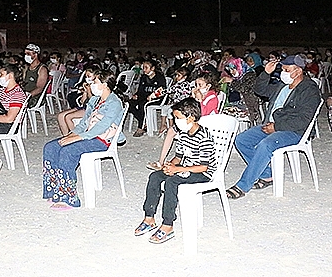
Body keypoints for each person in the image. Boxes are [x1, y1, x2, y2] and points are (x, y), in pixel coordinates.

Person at [225, 54, 321, 199]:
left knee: (266, 145)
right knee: (241, 140)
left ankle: (243, 185)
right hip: (271, 126)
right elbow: (260, 90)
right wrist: (266, 73)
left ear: (298, 71)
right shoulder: (283, 86)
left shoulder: (309, 90)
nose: (283, 73)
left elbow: (304, 120)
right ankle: (268, 175)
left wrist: (276, 127)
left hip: (294, 130)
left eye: (287, 70)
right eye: (282, 69)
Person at [134, 97, 216, 243]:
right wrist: (170, 166)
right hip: (185, 168)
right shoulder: (183, 133)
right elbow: (179, 156)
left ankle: (168, 225)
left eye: (177, 117)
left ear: (190, 118)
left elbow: (204, 166)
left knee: (172, 182)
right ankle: (149, 218)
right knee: (155, 176)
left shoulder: (204, 137)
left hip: (202, 173)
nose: (175, 120)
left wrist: (177, 170)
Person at [43, 70, 125, 211]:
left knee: (68, 151)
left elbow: (101, 127)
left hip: (102, 140)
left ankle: (69, 198)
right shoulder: (95, 100)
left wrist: (77, 138)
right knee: (51, 147)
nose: (91, 84)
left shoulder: (114, 103)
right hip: (89, 136)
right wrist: (70, 135)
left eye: (95, 82)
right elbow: (83, 123)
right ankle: (54, 190)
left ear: (104, 85)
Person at [129, 60, 167, 137]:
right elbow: (140, 89)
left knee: (142, 105)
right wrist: (136, 95)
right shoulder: (143, 77)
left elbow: (162, 90)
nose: (144, 69)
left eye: (146, 67)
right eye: (143, 67)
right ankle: (143, 120)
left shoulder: (160, 77)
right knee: (130, 104)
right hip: (144, 97)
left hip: (157, 98)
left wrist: (153, 96)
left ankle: (141, 127)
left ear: (152, 68)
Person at [57, 68, 97, 136]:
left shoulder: (97, 86)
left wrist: (88, 91)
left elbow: (92, 102)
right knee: (60, 116)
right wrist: (85, 92)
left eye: (89, 76)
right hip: (83, 107)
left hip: (91, 109)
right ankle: (65, 135)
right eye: (86, 76)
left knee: (68, 117)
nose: (87, 78)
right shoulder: (87, 85)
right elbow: (82, 102)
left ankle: (74, 137)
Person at [22, 43, 49, 108]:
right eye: (25, 54)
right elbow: (24, 82)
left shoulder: (42, 69)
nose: (26, 56)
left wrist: (28, 95)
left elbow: (40, 88)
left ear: (35, 54)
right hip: (26, 93)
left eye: (28, 54)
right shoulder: (27, 67)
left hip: (35, 97)